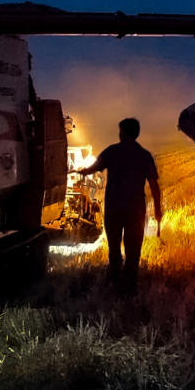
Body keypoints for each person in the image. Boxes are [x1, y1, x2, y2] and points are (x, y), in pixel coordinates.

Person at [76, 117, 162, 295]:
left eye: (121, 130)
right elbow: (154, 185)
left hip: (114, 207)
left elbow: (94, 168)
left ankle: (114, 280)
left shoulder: (112, 151)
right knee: (133, 249)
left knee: (114, 247)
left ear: (124, 132)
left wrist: (82, 171)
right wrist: (158, 210)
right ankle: (130, 286)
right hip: (136, 209)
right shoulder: (144, 155)